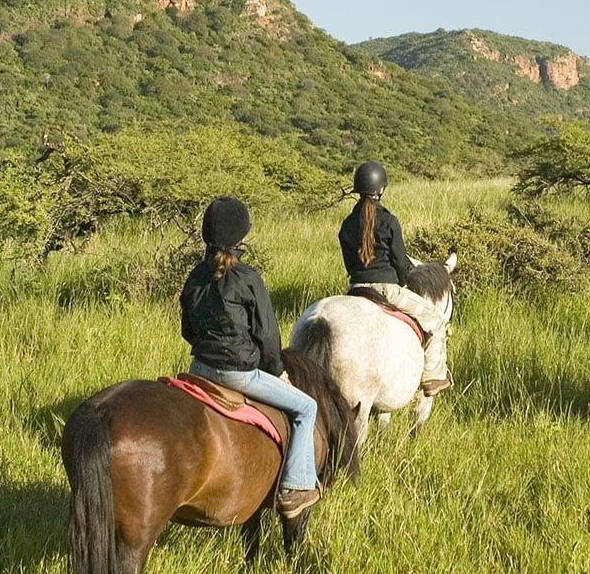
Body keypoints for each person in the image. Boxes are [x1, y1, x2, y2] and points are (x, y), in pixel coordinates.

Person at [180, 196, 322, 518]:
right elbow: (269, 337)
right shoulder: (248, 278)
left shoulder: (194, 277)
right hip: (238, 374)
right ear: (240, 237)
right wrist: (277, 371)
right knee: (306, 407)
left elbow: (188, 330)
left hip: (198, 369)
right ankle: (295, 486)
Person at [339, 161, 451, 393]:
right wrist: (403, 282)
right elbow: (400, 262)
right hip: (387, 290)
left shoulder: (347, 224)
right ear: (381, 189)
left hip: (355, 289)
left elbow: (350, 264)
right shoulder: (390, 222)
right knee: (436, 322)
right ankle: (433, 377)